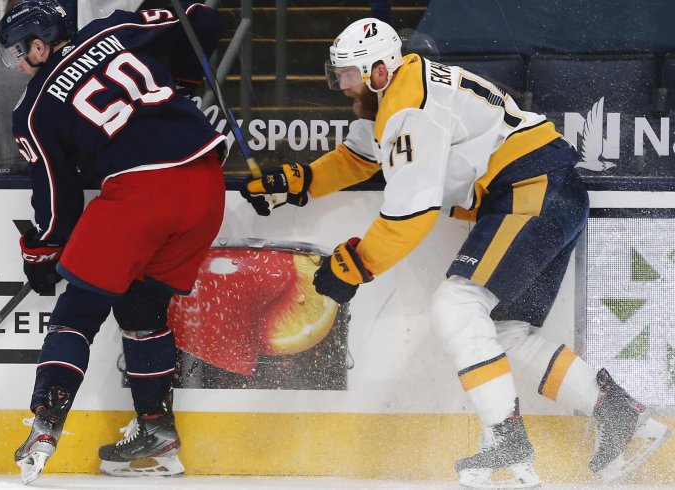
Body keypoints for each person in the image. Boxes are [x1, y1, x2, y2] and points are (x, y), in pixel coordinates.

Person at [241, 18, 671, 489]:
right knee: (504, 332)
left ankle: (507, 442)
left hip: (531, 192)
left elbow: (410, 216)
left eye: (348, 74)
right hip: (548, 192)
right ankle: (619, 416)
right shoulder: (403, 88)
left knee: (456, 304)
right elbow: (360, 157)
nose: (342, 85)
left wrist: (356, 266)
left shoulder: (410, 109)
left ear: (379, 71)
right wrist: (302, 181)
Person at [0, 0, 225, 483]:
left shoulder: (33, 109)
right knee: (142, 310)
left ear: (39, 45)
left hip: (143, 194)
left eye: (17, 51)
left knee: (77, 314)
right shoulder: (114, 26)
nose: (16, 64)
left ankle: (45, 425)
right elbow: (200, 17)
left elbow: (58, 197)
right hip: (206, 185)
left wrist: (43, 250)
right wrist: (180, 81)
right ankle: (157, 433)